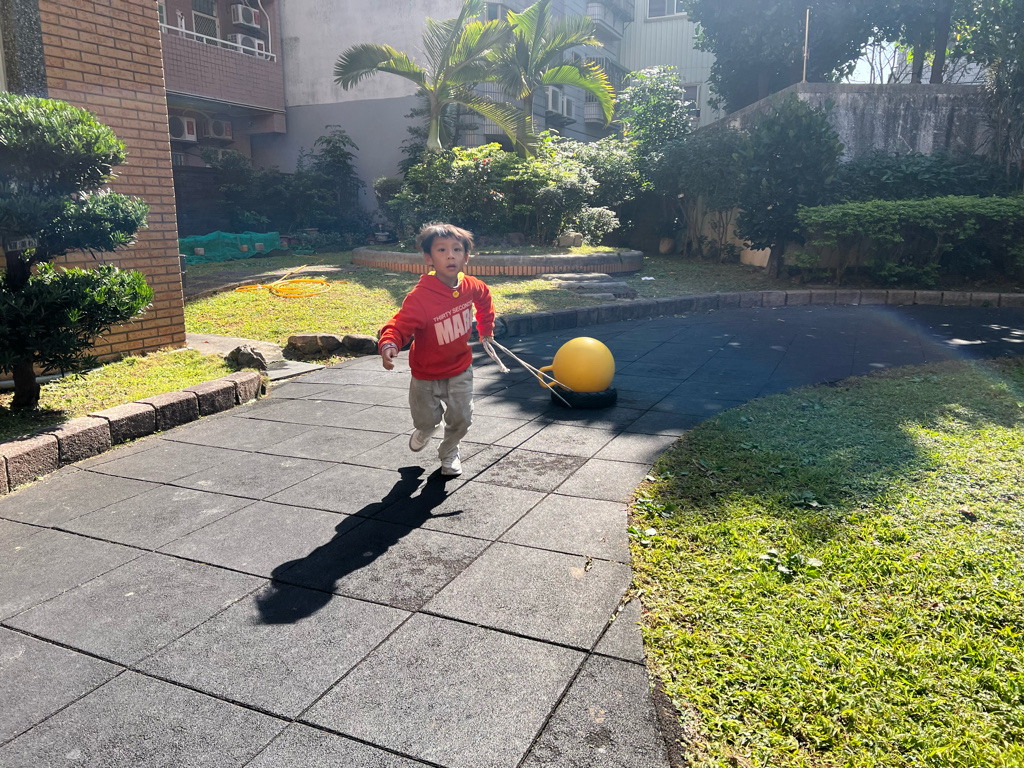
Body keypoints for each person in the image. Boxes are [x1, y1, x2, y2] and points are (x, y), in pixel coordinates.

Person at [378, 223, 495, 477]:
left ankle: (449, 451)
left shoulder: (470, 286)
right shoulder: (420, 297)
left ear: (466, 256)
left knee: (462, 418)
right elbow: (399, 324)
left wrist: (486, 328)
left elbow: (484, 298)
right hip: (426, 374)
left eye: (457, 249)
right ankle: (425, 429)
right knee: (426, 420)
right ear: (429, 258)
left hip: (459, 368)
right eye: (442, 250)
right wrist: (390, 343)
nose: (450, 255)